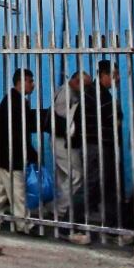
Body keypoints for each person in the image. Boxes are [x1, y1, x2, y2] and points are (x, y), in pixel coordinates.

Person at [0, 68, 40, 234]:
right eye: (30, 81)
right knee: (18, 190)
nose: (33, 85)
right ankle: (24, 224)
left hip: (3, 153)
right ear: (20, 82)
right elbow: (17, 133)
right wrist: (30, 152)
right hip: (9, 154)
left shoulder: (14, 100)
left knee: (2, 188)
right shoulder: (15, 102)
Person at [82, 60, 124, 233]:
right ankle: (72, 220)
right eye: (114, 75)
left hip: (104, 144)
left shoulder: (98, 93)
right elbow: (114, 118)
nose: (118, 79)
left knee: (108, 185)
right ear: (104, 75)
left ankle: (112, 225)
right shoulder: (96, 94)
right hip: (97, 145)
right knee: (94, 184)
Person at [53, 71, 92, 245]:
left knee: (65, 177)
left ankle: (59, 211)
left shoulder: (69, 92)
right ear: (76, 82)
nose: (88, 88)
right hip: (63, 142)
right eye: (86, 84)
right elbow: (64, 121)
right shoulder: (66, 94)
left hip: (63, 142)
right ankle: (63, 213)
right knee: (75, 176)